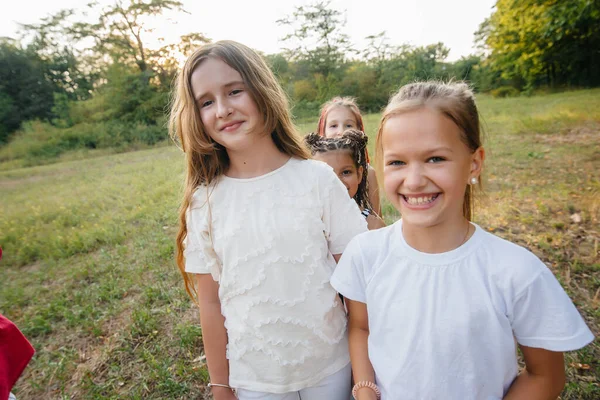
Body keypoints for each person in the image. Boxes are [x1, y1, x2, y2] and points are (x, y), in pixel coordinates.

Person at [330, 81, 594, 400]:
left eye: (436, 159)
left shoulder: (516, 271)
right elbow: (361, 328)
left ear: (474, 162)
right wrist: (365, 388)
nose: (413, 181)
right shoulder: (365, 252)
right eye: (397, 162)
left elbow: (546, 376)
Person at [168, 40, 367, 400]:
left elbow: (355, 280)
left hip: (330, 366)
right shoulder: (206, 201)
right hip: (255, 377)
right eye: (207, 102)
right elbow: (210, 304)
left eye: (234, 91)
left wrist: (364, 369)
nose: (224, 109)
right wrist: (220, 385)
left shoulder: (317, 179)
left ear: (261, 91)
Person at [305, 130, 385, 230]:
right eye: (327, 173)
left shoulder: (373, 226)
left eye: (346, 172)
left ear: (359, 174)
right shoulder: (306, 222)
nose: (337, 181)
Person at [317, 97, 380, 216]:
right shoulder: (316, 169)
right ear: (323, 131)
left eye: (349, 125)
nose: (341, 131)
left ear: (359, 130)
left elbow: (378, 222)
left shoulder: (368, 173)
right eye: (333, 125)